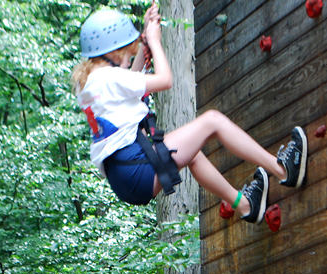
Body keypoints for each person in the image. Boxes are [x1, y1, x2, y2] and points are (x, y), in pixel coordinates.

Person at [71, 3, 307, 224]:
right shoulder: (110, 78)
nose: (129, 60)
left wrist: (145, 37)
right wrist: (153, 41)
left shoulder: (90, 83)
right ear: (113, 54)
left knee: (192, 153)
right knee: (213, 121)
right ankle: (284, 169)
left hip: (124, 176)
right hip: (135, 168)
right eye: (126, 55)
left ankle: (246, 205)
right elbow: (165, 80)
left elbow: (129, 80)